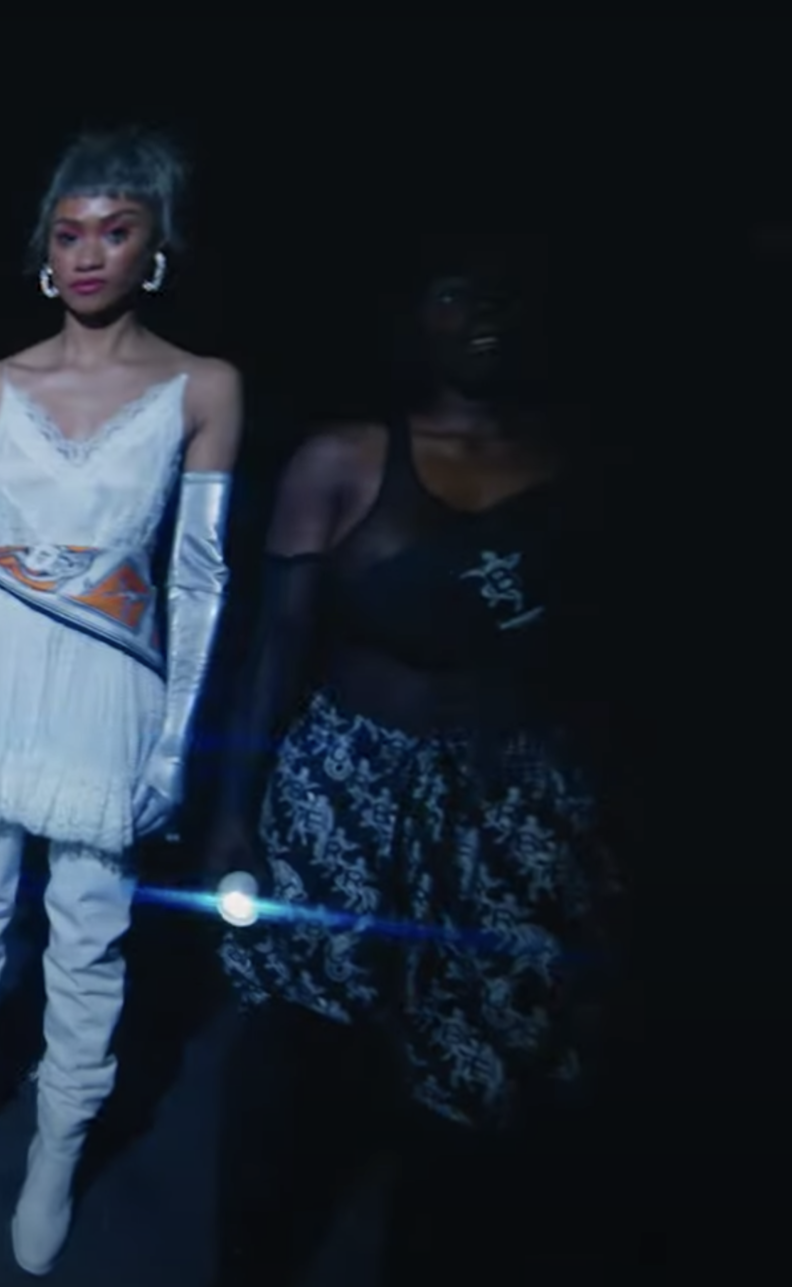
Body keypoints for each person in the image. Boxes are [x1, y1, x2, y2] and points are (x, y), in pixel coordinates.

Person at [203, 250, 621, 1287]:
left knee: (476, 1080)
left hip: (513, 804)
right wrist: (233, 816)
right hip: (349, 789)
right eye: (452, 291)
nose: (481, 311)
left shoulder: (578, 465)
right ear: (413, 318)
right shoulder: (345, 459)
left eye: (502, 289)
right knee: (298, 1064)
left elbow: (613, 662)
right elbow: (274, 648)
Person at [0, 127, 243, 1276]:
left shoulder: (204, 386)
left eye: (114, 232)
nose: (87, 254)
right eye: (68, 233)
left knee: (88, 938)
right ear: (43, 251)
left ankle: (54, 1154)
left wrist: (175, 744)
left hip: (109, 682)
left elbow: (199, 576)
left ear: (155, 247)